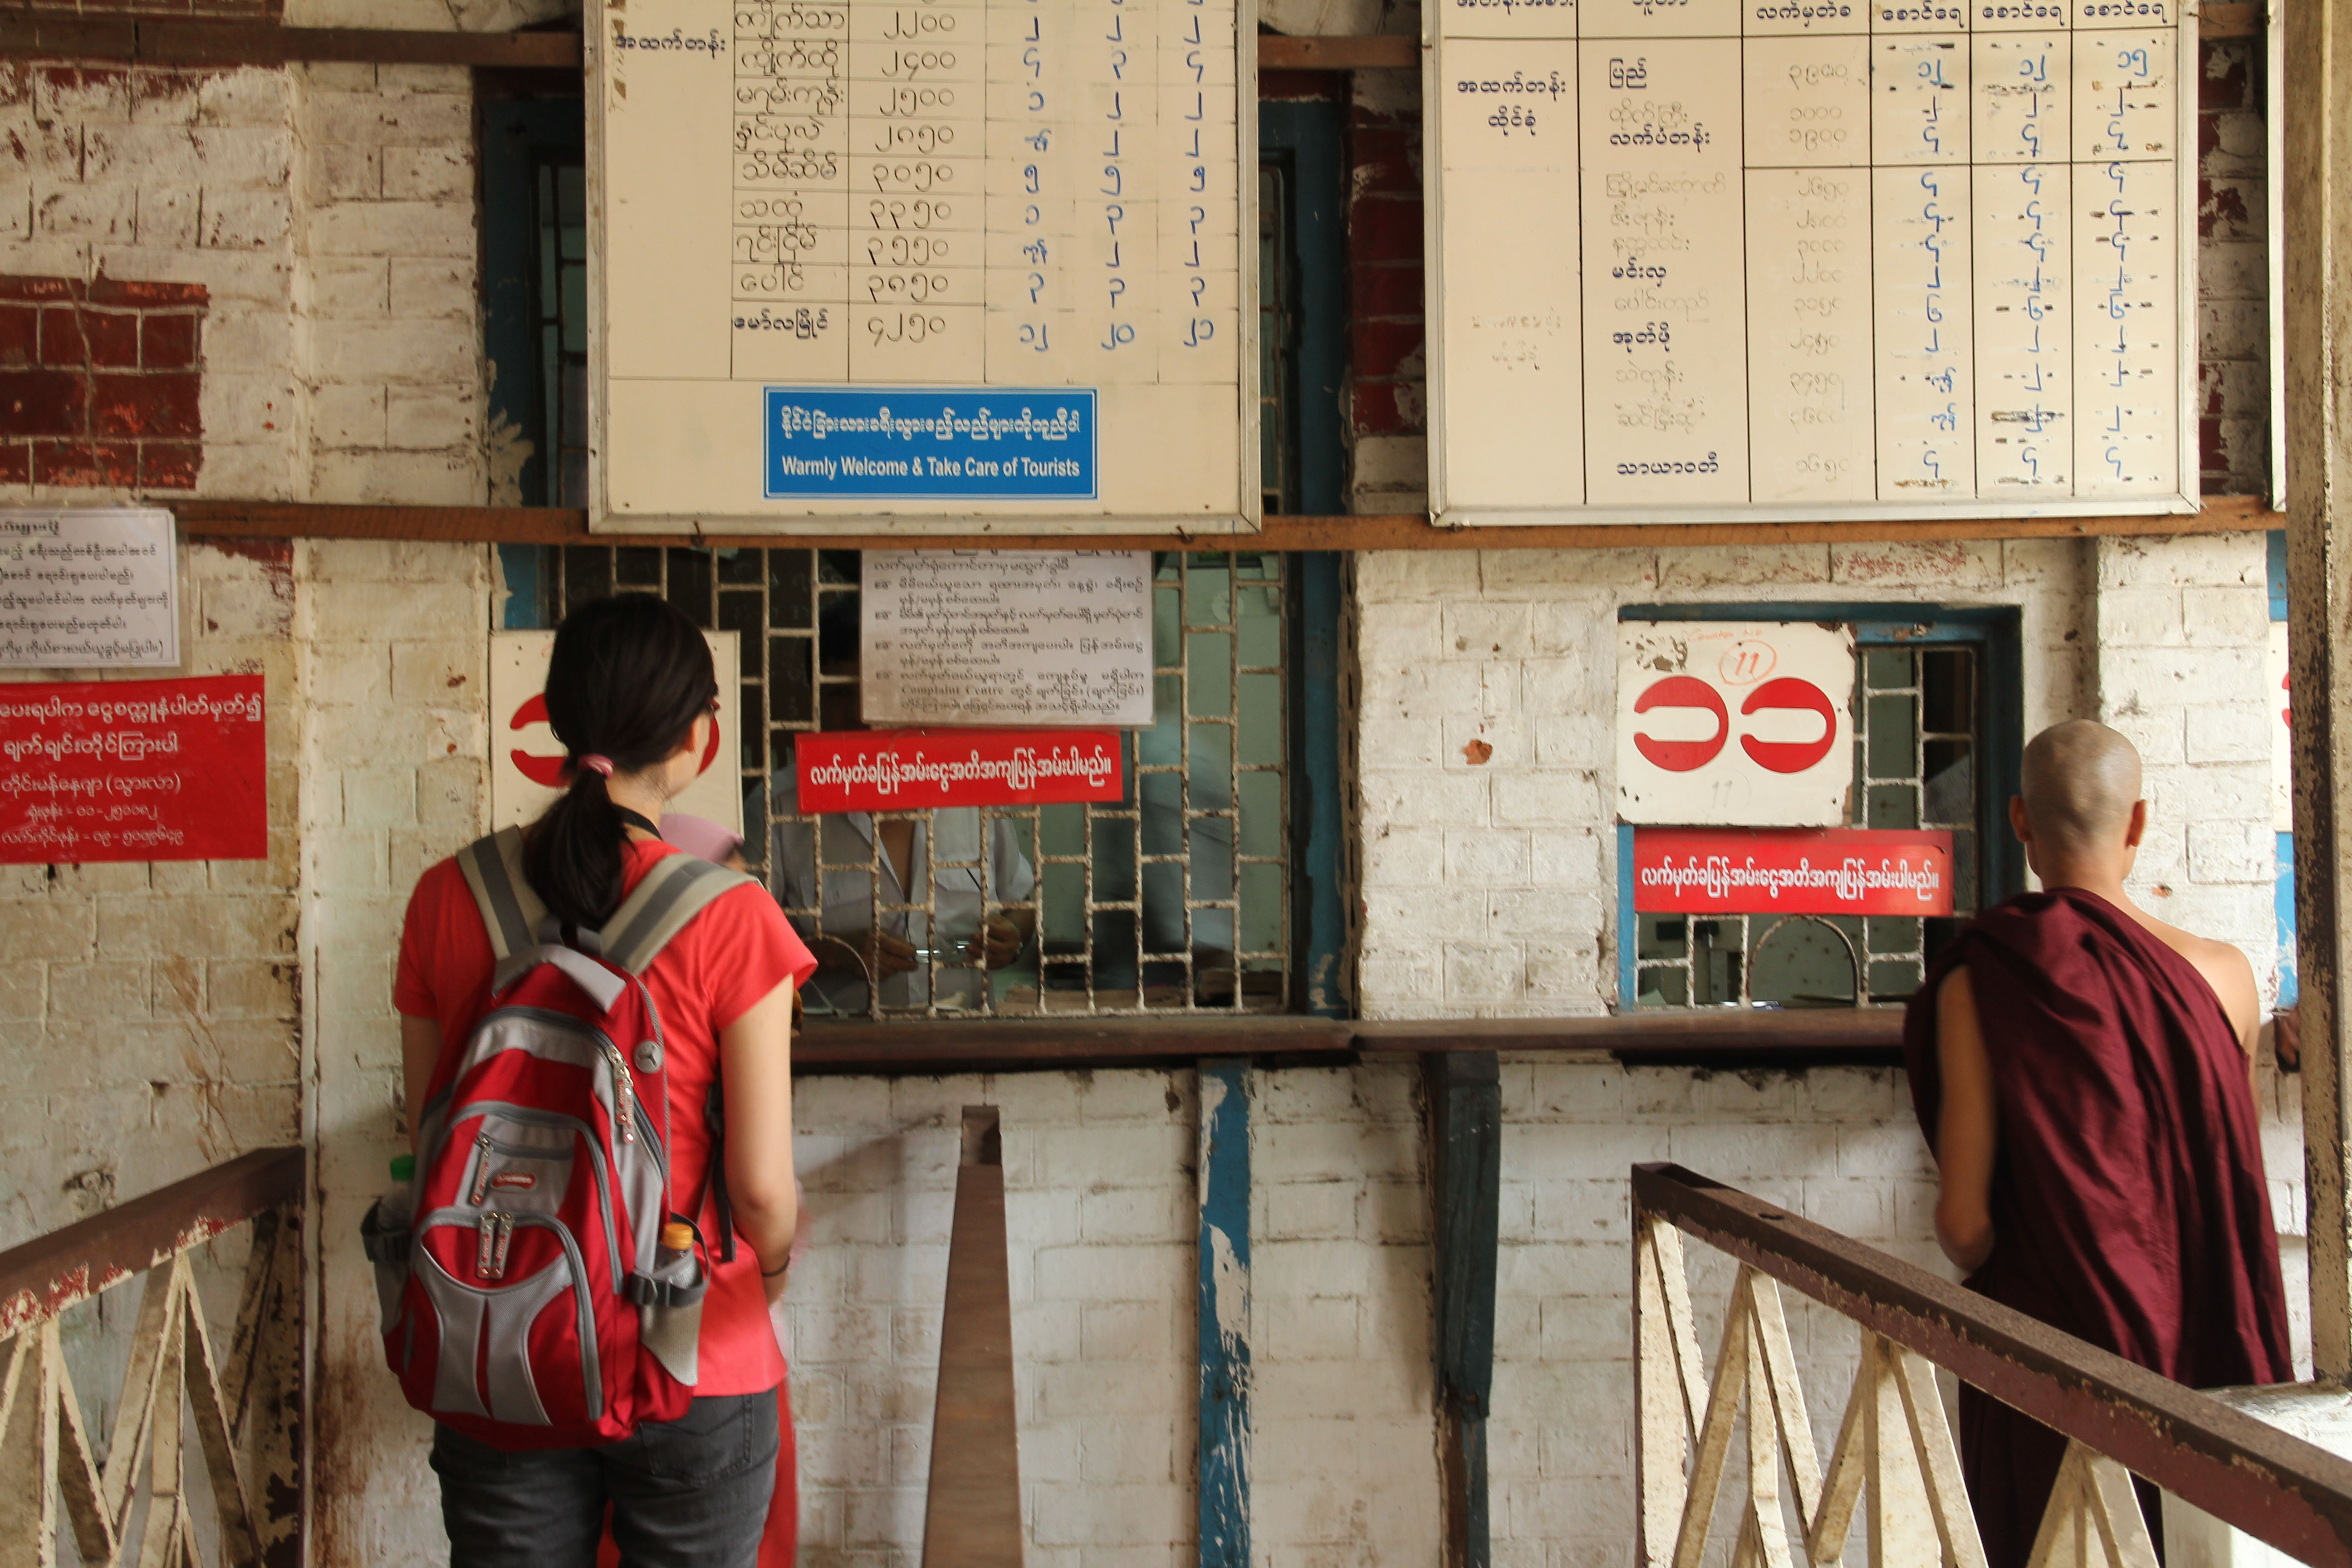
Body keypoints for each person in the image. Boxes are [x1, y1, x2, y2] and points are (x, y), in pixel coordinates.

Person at [395, 593, 817, 1568]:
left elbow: (432, 1138)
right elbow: (758, 1188)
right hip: (695, 1345)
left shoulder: (446, 898)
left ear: (558, 722)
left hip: (503, 1339)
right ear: (695, 739)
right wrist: (775, 1272)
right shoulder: (734, 915)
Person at [1905, 720, 2293, 1568]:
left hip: (2056, 1365)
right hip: (2209, 1349)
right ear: (2141, 823)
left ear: (2017, 823)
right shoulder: (2226, 978)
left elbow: (1966, 1226)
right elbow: (2225, 1178)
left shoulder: (1984, 978)